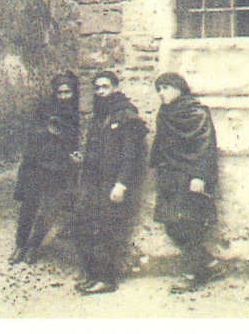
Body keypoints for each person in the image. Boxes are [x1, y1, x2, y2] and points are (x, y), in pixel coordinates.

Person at [72, 71, 147, 295]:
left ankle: (107, 279)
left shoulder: (126, 115)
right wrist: (83, 159)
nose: (101, 92)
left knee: (107, 230)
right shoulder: (99, 115)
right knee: (88, 225)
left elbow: (132, 155)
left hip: (113, 182)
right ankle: (93, 275)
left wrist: (121, 184)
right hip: (94, 181)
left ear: (115, 88)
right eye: (97, 88)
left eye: (105, 87)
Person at [150, 72, 222, 293]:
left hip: (190, 177)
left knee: (189, 225)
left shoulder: (197, 112)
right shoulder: (165, 113)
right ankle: (210, 265)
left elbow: (206, 146)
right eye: (159, 89)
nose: (162, 93)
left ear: (179, 88)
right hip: (170, 177)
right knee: (171, 224)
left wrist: (200, 176)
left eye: (166, 88)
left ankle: (192, 275)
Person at [9, 71, 81, 265]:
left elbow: (74, 141)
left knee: (50, 209)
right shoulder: (44, 109)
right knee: (29, 206)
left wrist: (74, 155)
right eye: (60, 92)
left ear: (73, 93)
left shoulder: (75, 114)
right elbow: (32, 136)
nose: (64, 96)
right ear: (54, 93)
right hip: (37, 165)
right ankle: (20, 245)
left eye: (67, 92)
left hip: (59, 168)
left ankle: (34, 246)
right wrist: (46, 132)